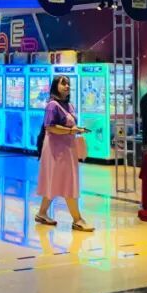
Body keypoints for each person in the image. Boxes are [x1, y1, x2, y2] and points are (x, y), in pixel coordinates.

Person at [35, 75, 94, 232]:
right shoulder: (52, 105)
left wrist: (77, 130)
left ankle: (42, 213)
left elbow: (69, 127)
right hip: (56, 150)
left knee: (56, 180)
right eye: (63, 84)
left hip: (67, 148)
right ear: (55, 86)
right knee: (68, 182)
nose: (67, 86)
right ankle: (77, 219)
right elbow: (50, 126)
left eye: (68, 83)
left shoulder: (69, 106)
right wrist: (70, 131)